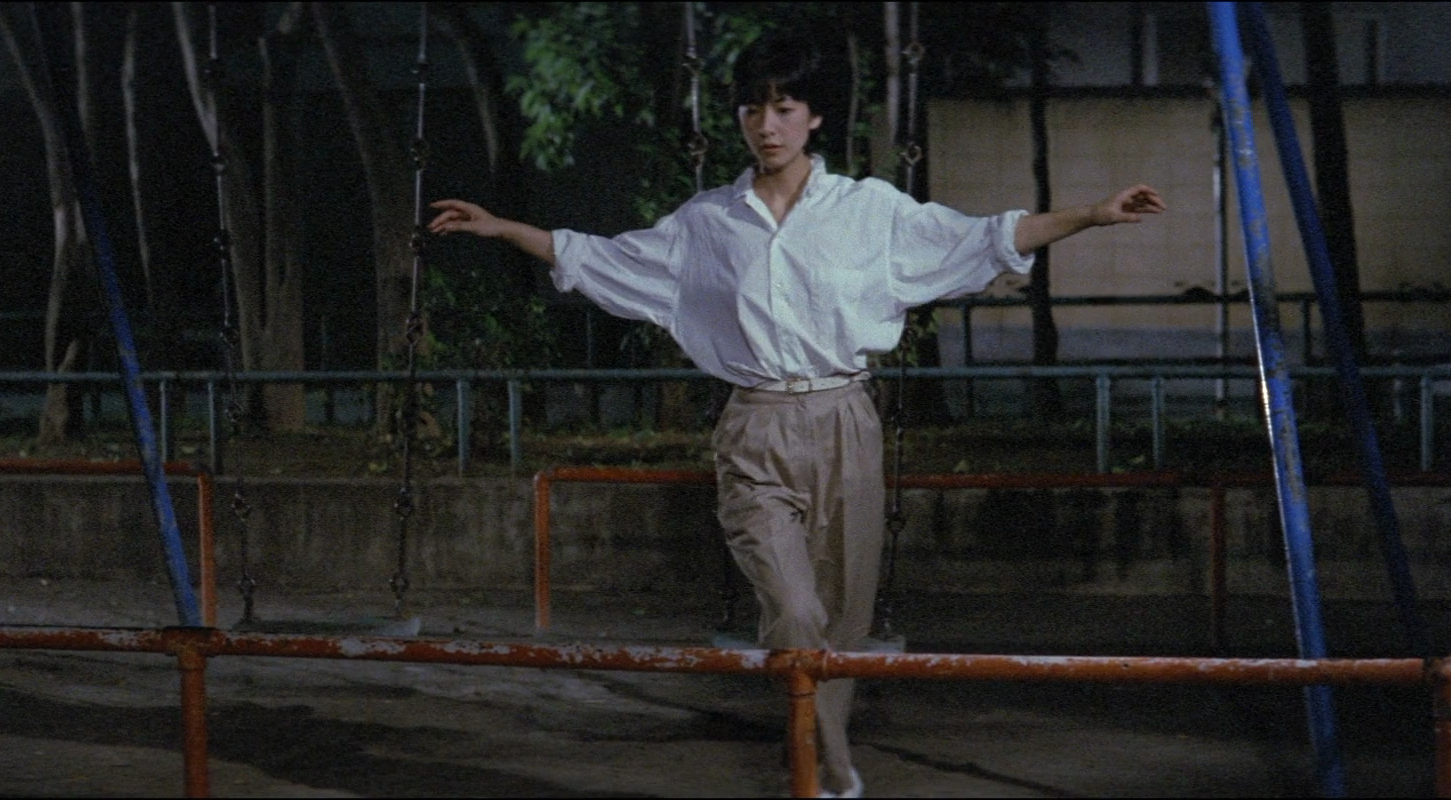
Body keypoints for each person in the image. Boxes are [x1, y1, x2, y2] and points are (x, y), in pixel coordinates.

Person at [429, 27, 1164, 798]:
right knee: (796, 612)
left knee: (843, 624)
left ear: (814, 116)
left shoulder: (867, 211)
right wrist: (505, 229)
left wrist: (1093, 213)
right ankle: (826, 761)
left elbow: (986, 238)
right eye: (753, 109)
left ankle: (817, 756)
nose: (767, 125)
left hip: (846, 420)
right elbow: (605, 258)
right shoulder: (708, 223)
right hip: (755, 426)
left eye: (784, 108)